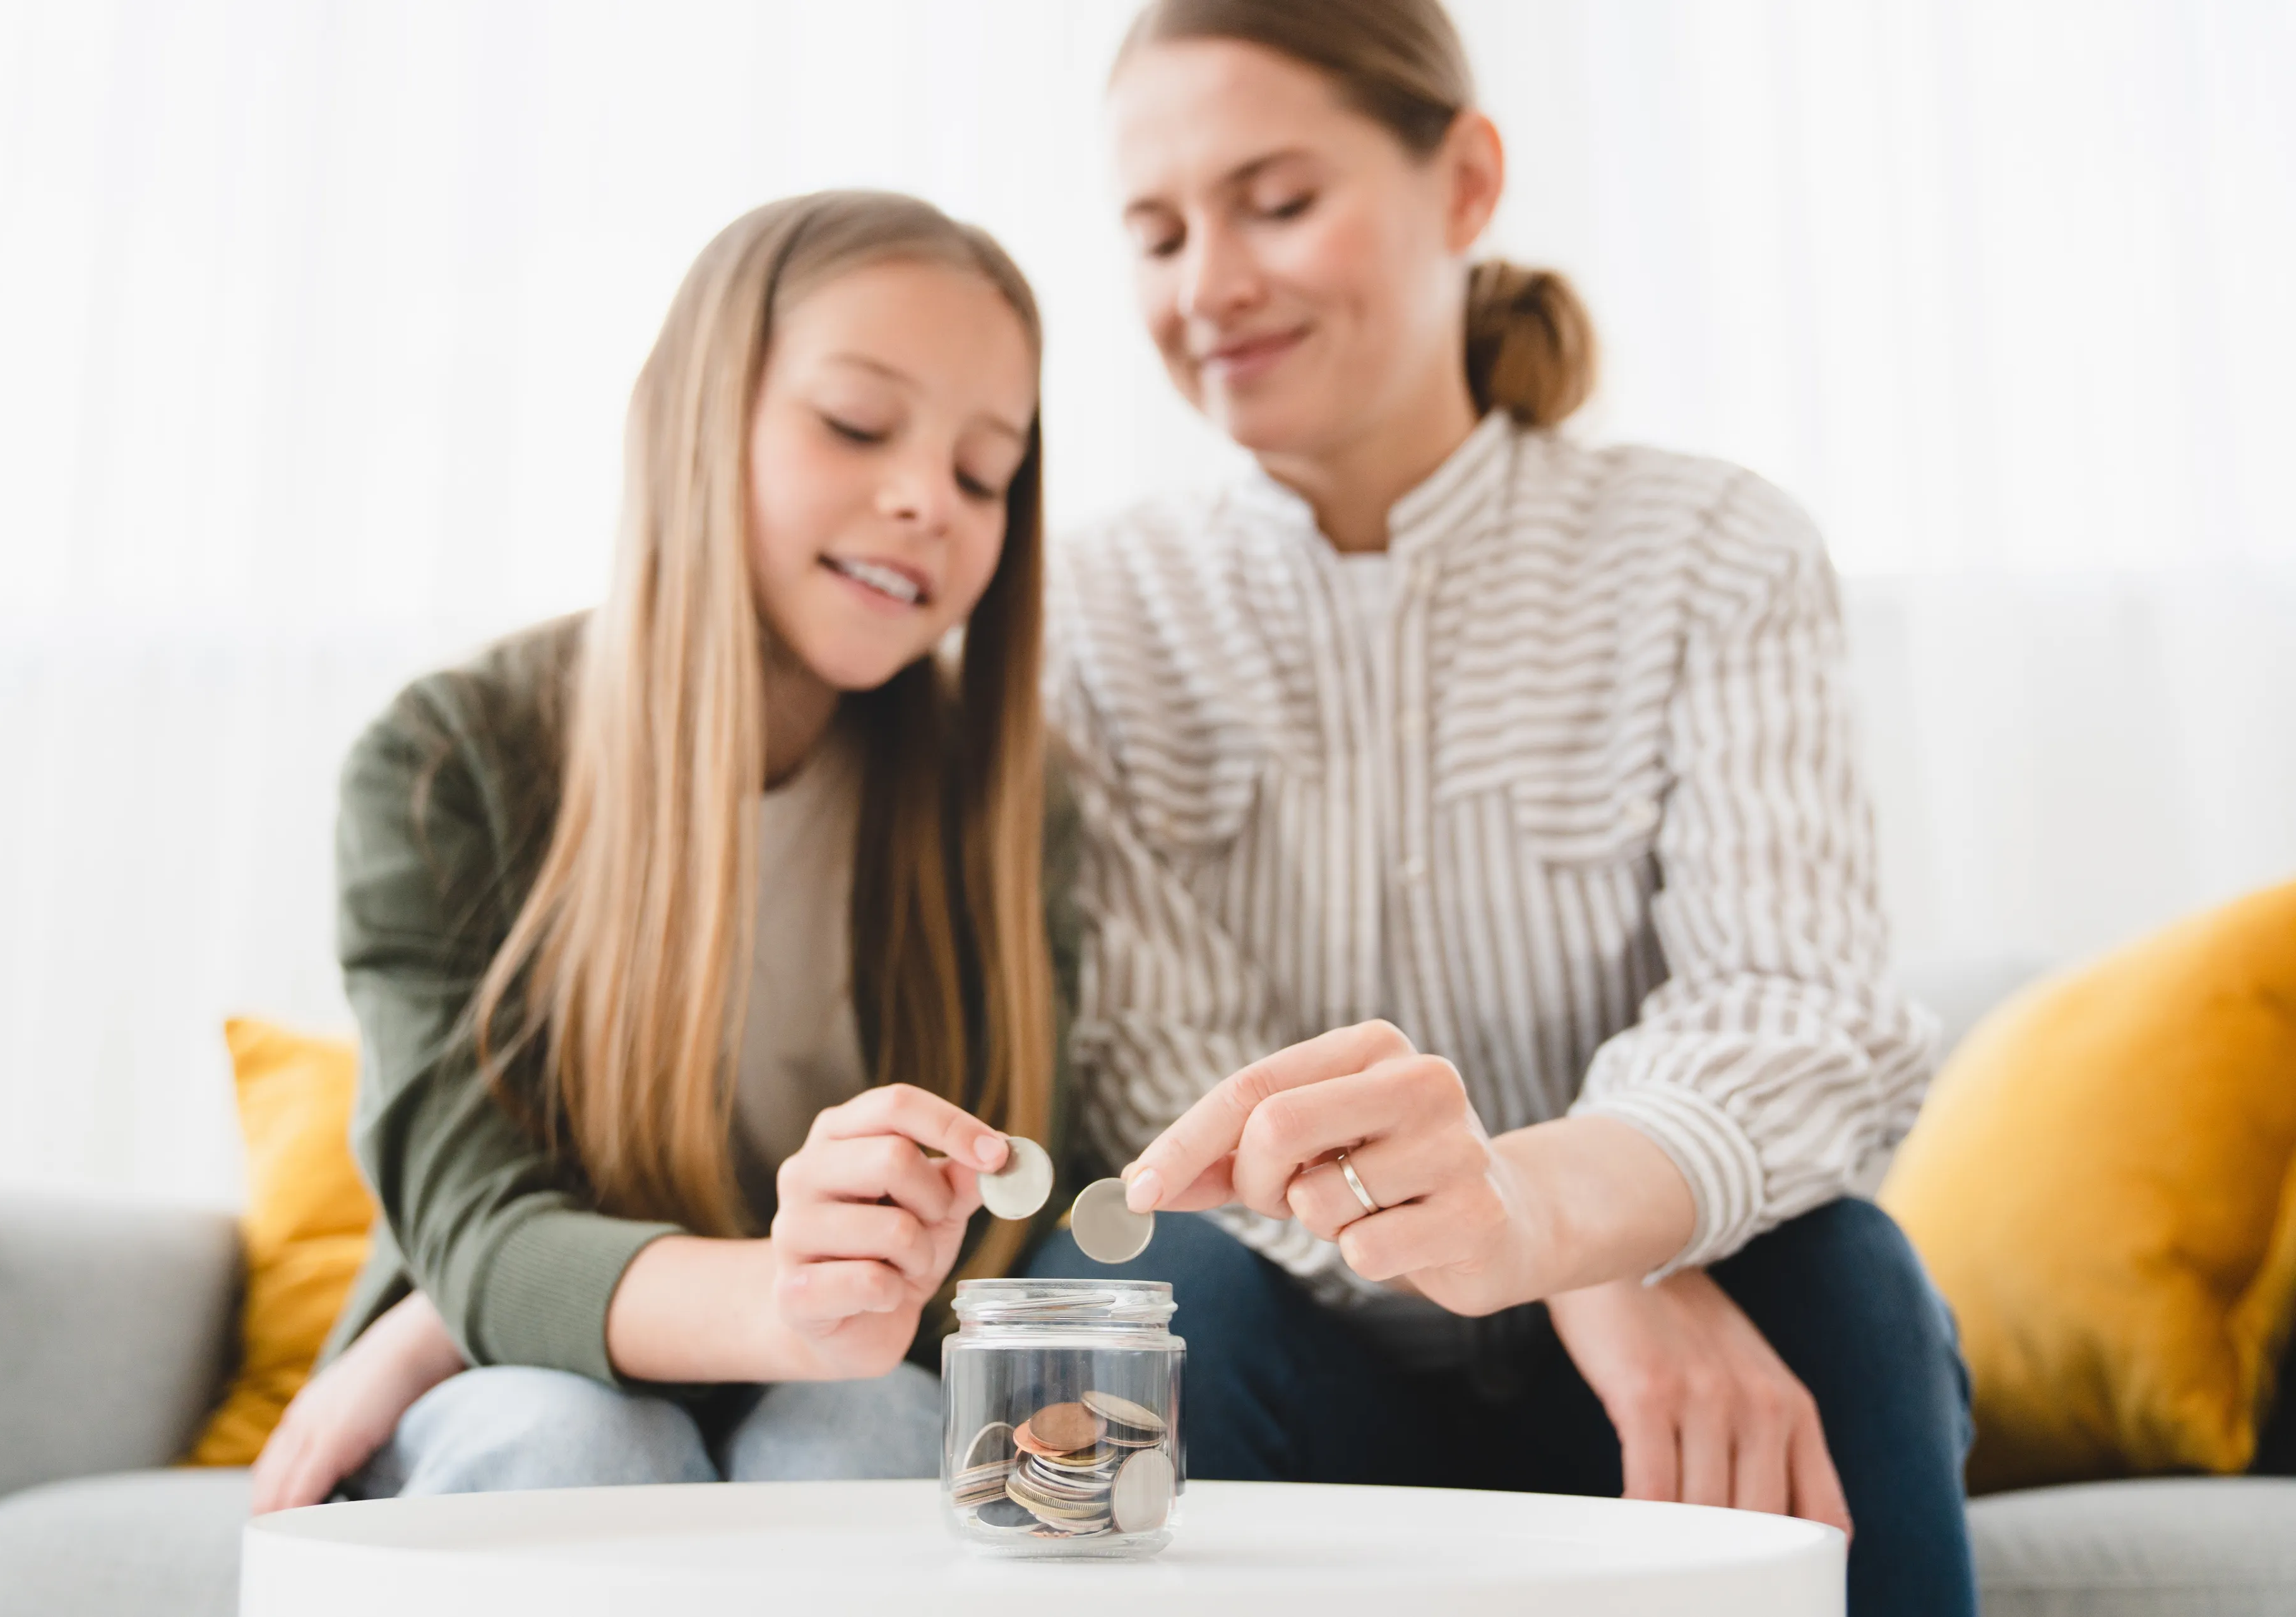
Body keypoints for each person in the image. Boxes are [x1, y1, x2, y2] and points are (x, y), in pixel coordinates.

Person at [1028, 3, 1976, 1613]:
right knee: (1128, 1287)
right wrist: (1497, 1247)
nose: (1207, 285)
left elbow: (1793, 1004)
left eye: (1275, 201)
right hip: (1296, 1380)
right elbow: (1164, 1084)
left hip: (1646, 1397)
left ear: (1466, 183)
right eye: (1158, 232)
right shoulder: (1093, 619)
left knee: (1848, 1271)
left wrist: (1565, 1221)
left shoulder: (1711, 550)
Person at [249, 190, 1073, 1512]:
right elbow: (480, 1221)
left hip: (838, 1376)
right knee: (576, 1446)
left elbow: (1024, 1219)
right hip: (535, 1375)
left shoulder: (1007, 799)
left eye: (985, 472)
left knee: (875, 1426)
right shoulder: (445, 764)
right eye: (856, 424)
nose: (927, 497)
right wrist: (464, 1310)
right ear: (692, 416)